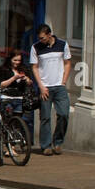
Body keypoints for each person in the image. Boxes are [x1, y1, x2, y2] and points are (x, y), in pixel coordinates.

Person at [31, 24, 72, 155]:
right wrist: (41, 86)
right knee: (45, 117)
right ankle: (46, 146)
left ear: (49, 35)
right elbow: (35, 67)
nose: (41, 40)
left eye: (43, 38)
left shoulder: (62, 45)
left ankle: (58, 142)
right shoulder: (36, 47)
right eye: (39, 38)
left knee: (64, 114)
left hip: (59, 86)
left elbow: (67, 63)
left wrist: (64, 81)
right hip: (45, 87)